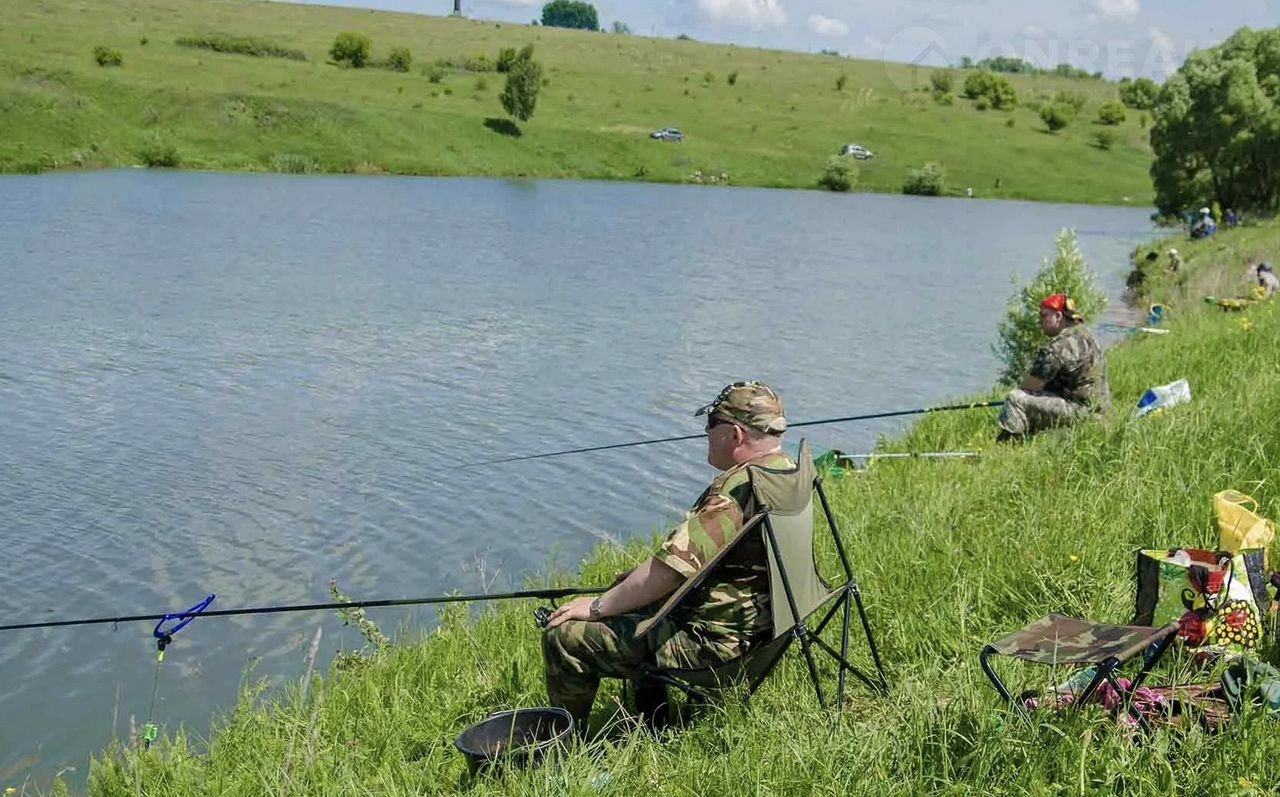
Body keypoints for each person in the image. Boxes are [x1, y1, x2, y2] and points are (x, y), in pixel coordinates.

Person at [542, 381, 793, 730]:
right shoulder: (786, 471)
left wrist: (597, 606)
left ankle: (564, 742)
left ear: (735, 434)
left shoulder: (734, 495)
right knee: (632, 596)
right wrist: (625, 590)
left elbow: (669, 573)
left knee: (564, 636)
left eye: (712, 424)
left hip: (718, 647)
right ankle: (654, 723)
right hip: (767, 633)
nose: (706, 432)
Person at [997, 294, 1110, 441]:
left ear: (1058, 316)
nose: (1040, 321)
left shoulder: (1057, 347)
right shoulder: (1088, 335)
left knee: (1015, 398)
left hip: (1081, 413)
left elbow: (1029, 386)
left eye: (1044, 315)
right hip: (1101, 413)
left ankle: (1010, 444)